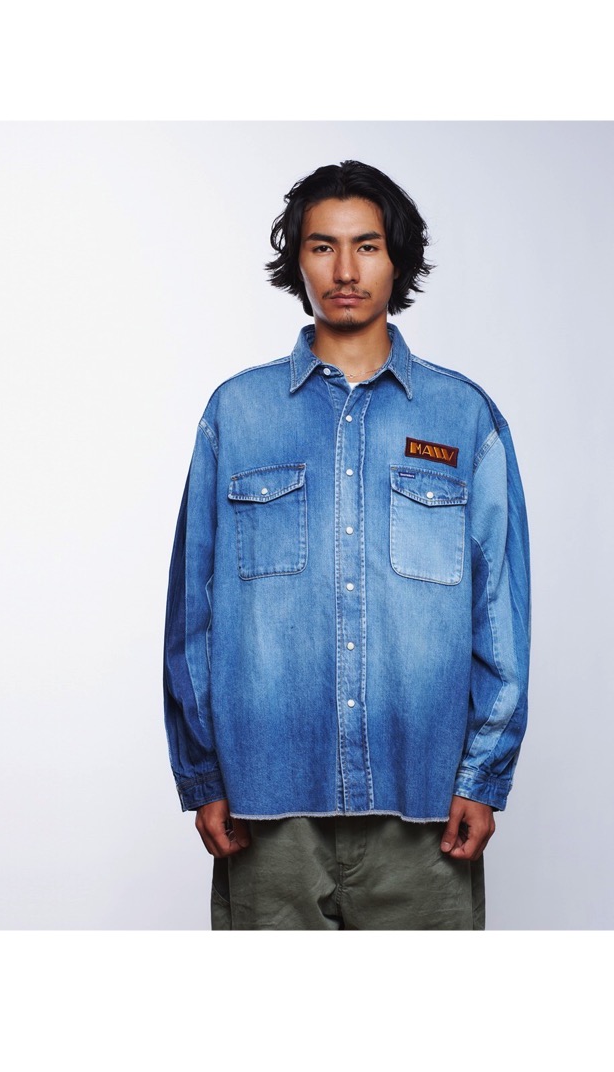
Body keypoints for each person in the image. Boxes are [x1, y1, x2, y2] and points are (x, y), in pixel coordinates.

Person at [163, 160, 531, 930]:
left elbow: (499, 612)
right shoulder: (238, 414)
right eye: (322, 246)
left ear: (397, 259)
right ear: (297, 261)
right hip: (267, 805)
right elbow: (191, 613)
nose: (345, 270)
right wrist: (202, 775)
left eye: (367, 246)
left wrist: (483, 775)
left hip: (424, 807)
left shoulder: (463, 418)